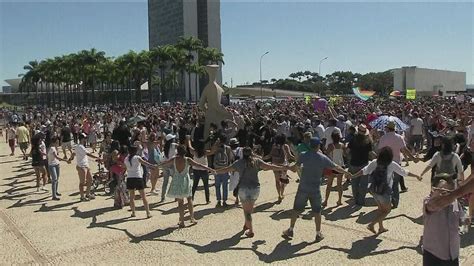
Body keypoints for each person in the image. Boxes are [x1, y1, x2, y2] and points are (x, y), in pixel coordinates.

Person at [282, 137, 352, 242]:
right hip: (315, 188)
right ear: (318, 145)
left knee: (296, 209)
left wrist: (287, 167)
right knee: (317, 212)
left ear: (310, 145)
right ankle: (318, 233)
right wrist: (346, 173)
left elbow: (294, 168)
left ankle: (291, 229)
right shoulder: (322, 157)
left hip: (303, 187)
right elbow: (335, 167)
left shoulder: (303, 155)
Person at [215, 147, 288, 237]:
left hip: (243, 189)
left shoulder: (239, 163)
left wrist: (215, 171)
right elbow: (270, 166)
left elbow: (226, 169)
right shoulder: (257, 161)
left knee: (247, 211)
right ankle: (246, 224)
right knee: (249, 209)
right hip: (255, 189)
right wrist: (282, 167)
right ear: (252, 153)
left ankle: (251, 230)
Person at [352, 147, 421, 234]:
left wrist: (353, 176)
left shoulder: (374, 162)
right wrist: (416, 176)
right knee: (387, 210)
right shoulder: (391, 164)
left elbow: (364, 171)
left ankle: (381, 228)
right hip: (384, 192)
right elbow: (403, 172)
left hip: (374, 190)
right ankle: (371, 224)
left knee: (380, 209)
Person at [159, 145, 214, 228]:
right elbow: (199, 165)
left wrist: (155, 166)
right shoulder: (187, 159)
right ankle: (192, 218)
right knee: (189, 199)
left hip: (177, 180)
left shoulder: (174, 159)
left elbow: (164, 163)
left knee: (180, 202)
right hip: (185, 180)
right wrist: (209, 169)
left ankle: (181, 221)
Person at [422, 178, 471, 265]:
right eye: (442, 190)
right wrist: (441, 196)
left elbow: (460, 217)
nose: (445, 194)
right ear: (433, 189)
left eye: (448, 191)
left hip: (453, 253)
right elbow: (433, 206)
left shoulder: (455, 202)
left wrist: (465, 220)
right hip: (433, 253)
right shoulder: (428, 201)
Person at [377, 120, 418, 208]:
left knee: (387, 183)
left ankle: (387, 201)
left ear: (387, 128)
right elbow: (405, 150)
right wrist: (413, 158)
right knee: (395, 184)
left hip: (385, 163)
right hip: (396, 163)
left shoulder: (383, 138)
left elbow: (379, 151)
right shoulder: (399, 137)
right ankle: (395, 202)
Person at [124, 145, 156, 219]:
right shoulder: (137, 158)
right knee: (143, 196)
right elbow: (145, 163)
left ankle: (133, 212)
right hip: (138, 177)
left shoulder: (126, 159)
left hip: (130, 178)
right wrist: (152, 166)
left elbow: (125, 167)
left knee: (131, 197)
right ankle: (148, 213)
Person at [346, 124, 375, 206]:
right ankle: (361, 200)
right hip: (364, 164)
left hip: (353, 163)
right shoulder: (368, 141)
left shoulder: (352, 140)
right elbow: (370, 153)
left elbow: (347, 151)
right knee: (363, 184)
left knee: (354, 182)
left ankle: (356, 199)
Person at [67, 133, 101, 201]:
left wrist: (70, 159)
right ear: (82, 139)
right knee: (82, 183)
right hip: (82, 167)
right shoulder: (80, 147)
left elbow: (73, 153)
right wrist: (97, 158)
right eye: (85, 138)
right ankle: (82, 197)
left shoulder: (79, 146)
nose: (86, 139)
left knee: (90, 180)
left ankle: (87, 194)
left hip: (86, 165)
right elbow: (88, 154)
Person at [265, 134, 294, 202]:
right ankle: (282, 193)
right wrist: (297, 158)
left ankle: (279, 195)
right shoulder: (285, 146)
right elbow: (290, 156)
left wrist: (262, 158)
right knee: (283, 181)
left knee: (277, 181)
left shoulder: (274, 146)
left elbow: (270, 155)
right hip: (283, 165)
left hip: (275, 165)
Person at [187, 138, 216, 204]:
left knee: (194, 185)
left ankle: (192, 198)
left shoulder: (194, 151)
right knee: (206, 186)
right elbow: (212, 151)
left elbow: (189, 147)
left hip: (195, 170)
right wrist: (216, 143)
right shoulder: (205, 152)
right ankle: (207, 200)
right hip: (204, 170)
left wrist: (188, 140)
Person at [323, 131, 345, 207]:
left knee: (329, 184)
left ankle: (325, 201)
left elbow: (326, 153)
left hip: (332, 165)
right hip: (340, 165)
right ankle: (339, 200)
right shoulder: (342, 145)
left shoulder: (330, 145)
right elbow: (344, 154)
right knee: (339, 184)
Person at [213, 135, 234, 207]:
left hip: (217, 169)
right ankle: (224, 201)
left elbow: (211, 153)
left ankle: (218, 201)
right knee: (225, 186)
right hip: (225, 169)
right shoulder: (228, 148)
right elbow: (230, 158)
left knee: (217, 186)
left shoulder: (216, 148)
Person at [161, 133, 178, 202]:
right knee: (175, 181)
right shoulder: (173, 145)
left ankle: (162, 197)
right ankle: (176, 196)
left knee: (165, 182)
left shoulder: (165, 146)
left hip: (165, 164)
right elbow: (181, 147)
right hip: (172, 165)